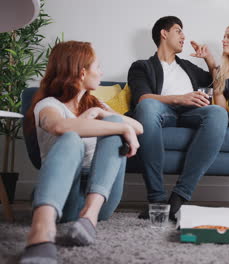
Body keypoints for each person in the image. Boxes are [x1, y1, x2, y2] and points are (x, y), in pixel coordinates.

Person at [20, 41, 143, 263]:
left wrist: (101, 114)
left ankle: (89, 217)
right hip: (64, 194)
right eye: (98, 66)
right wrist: (120, 127)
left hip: (101, 198)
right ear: (82, 71)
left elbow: (139, 128)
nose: (101, 72)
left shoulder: (96, 104)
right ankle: (41, 230)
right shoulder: (48, 105)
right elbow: (60, 126)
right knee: (70, 137)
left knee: (113, 121)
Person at [127, 16, 228, 220]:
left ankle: (179, 197)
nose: (184, 36)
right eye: (178, 30)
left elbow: (218, 82)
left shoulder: (188, 68)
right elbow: (142, 97)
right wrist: (180, 99)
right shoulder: (142, 66)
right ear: (164, 34)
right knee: (146, 106)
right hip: (162, 111)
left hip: (193, 112)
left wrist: (209, 59)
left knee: (218, 112)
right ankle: (156, 198)